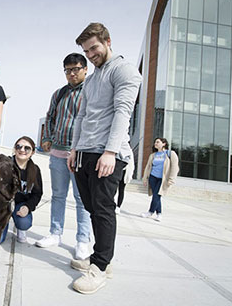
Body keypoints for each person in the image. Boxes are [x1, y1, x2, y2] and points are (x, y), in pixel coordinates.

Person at [67, 22, 142, 294]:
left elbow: (123, 112)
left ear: (108, 41)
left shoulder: (124, 71)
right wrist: (75, 149)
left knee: (103, 209)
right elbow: (82, 116)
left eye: (94, 48)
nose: (90, 54)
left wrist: (111, 152)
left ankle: (99, 266)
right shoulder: (91, 78)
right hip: (85, 152)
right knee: (91, 207)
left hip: (107, 153)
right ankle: (102, 257)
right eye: (86, 51)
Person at [36, 53, 91, 261]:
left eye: (76, 69)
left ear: (85, 69)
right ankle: (55, 233)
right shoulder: (58, 94)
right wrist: (48, 137)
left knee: (81, 199)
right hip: (58, 154)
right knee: (58, 195)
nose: (72, 73)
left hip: (81, 155)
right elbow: (50, 116)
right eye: (68, 70)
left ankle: (82, 241)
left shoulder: (91, 91)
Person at [0, 136, 43, 243]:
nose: (22, 150)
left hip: (20, 205)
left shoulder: (35, 170)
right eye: (18, 146)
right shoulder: (5, 164)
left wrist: (28, 207)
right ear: (15, 149)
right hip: (3, 205)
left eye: (27, 148)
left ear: (32, 152)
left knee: (24, 223)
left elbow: (37, 194)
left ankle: (20, 229)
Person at [140, 137, 179, 222]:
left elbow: (175, 168)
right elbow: (148, 167)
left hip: (163, 179)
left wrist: (171, 179)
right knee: (156, 196)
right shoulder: (153, 155)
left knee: (156, 196)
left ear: (164, 143)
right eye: (155, 142)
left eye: (157, 142)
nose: (155, 144)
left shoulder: (170, 154)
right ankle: (159, 214)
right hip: (153, 177)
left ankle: (150, 212)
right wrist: (145, 178)